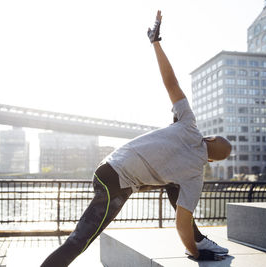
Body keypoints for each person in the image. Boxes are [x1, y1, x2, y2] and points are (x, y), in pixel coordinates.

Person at [41, 10, 232, 267]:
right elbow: (182, 222)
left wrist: (156, 43)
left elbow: (170, 82)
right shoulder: (195, 176)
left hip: (108, 166)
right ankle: (198, 244)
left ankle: (200, 241)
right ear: (210, 159)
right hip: (116, 183)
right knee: (79, 241)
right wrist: (194, 253)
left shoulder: (188, 123)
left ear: (208, 137)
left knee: (173, 185)